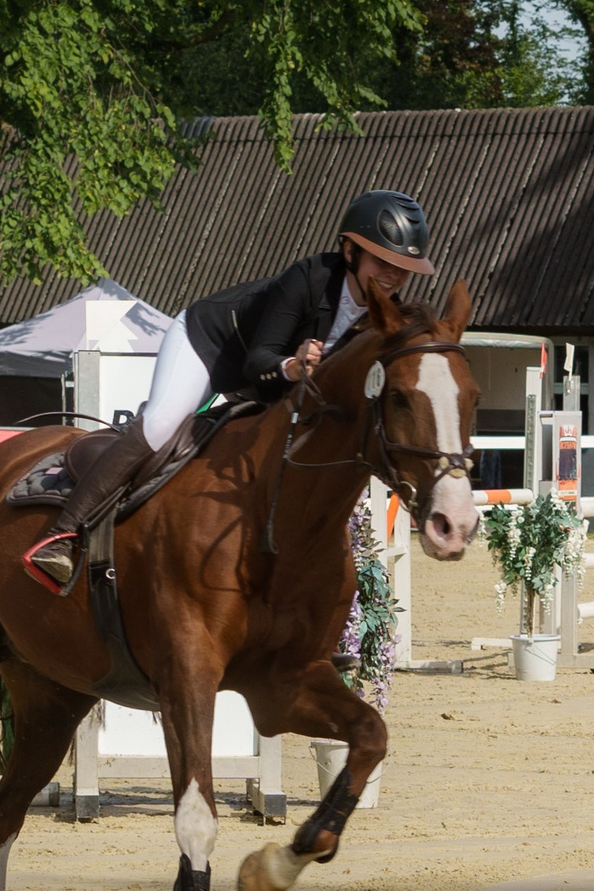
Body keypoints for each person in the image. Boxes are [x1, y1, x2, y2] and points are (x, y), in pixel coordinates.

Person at [23, 189, 435, 591]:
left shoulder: (384, 318)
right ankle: (63, 535)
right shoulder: (307, 280)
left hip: (269, 388)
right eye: (383, 261)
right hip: (208, 345)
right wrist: (293, 365)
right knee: (162, 424)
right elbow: (258, 361)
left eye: (402, 269)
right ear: (350, 252)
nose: (393, 276)